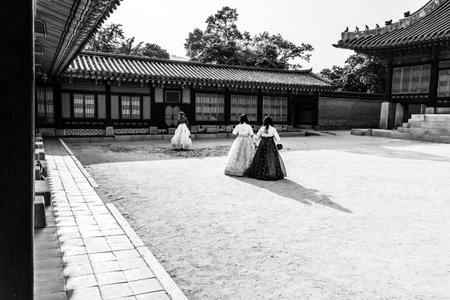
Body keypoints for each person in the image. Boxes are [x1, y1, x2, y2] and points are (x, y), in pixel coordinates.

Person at [247, 116, 287, 180]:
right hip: (271, 145)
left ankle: (260, 173)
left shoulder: (262, 128)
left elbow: (256, 137)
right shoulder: (273, 129)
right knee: (271, 158)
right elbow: (278, 139)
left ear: (264, 122)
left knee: (261, 158)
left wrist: (252, 135)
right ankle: (271, 172)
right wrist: (278, 136)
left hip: (262, 144)